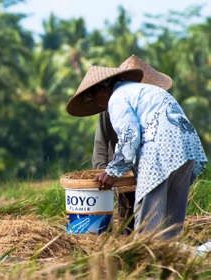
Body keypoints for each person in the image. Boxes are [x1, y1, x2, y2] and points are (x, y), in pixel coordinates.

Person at [67, 64, 207, 239]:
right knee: (171, 218)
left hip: (160, 149)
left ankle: (145, 259)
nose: (94, 101)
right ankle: (171, 256)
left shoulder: (117, 98)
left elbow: (129, 135)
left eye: (92, 95)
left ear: (103, 89)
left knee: (149, 219)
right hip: (186, 149)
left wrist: (113, 171)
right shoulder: (141, 91)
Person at [92, 55, 173, 235]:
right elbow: (102, 145)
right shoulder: (111, 108)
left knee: (155, 219)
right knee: (129, 218)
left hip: (150, 166)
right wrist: (107, 172)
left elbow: (135, 137)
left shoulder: (154, 103)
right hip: (124, 170)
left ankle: (152, 251)